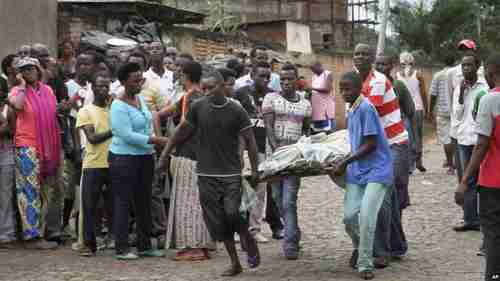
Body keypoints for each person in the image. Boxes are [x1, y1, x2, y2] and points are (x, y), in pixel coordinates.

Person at [158, 70, 261, 277]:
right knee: (218, 222)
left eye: (210, 87)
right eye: (203, 88)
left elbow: (250, 140)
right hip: (205, 174)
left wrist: (256, 168)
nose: (206, 92)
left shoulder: (236, 110)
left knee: (232, 212)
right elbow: (180, 132)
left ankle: (246, 236)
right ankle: (235, 263)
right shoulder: (198, 108)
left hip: (230, 173)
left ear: (222, 87)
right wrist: (164, 156)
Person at [336, 71, 393, 280]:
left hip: (377, 169)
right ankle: (360, 247)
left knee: (368, 217)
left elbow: (370, 144)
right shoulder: (352, 110)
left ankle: (365, 264)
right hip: (357, 171)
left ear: (360, 88)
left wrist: (345, 162)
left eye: (347, 88)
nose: (343, 92)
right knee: (349, 218)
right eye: (341, 89)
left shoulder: (367, 108)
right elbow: (353, 141)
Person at [159, 61, 211, 260]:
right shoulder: (202, 97)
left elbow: (184, 129)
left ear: (185, 75)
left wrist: (166, 150)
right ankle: (202, 245)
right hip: (201, 156)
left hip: (189, 156)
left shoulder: (191, 97)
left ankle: (193, 246)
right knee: (198, 201)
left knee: (188, 202)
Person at [9, 57, 63, 249]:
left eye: (31, 68)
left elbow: (52, 113)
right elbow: (16, 106)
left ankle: (41, 231)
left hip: (48, 147)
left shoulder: (47, 90)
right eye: (23, 69)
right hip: (27, 147)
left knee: (46, 191)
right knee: (28, 191)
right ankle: (31, 236)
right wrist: (22, 85)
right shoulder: (17, 90)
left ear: (39, 70)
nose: (28, 72)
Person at [455, 53, 500, 281]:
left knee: (492, 233)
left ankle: (493, 275)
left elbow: (481, 144)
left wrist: (464, 181)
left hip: (494, 180)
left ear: (491, 74)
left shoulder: (490, 99)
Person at [263, 63, 312, 259]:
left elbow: (306, 130)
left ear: (297, 80)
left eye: (289, 79)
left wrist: (299, 151)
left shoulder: (305, 104)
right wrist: (278, 151)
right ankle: (295, 233)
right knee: (277, 199)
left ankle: (290, 244)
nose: (285, 82)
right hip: (274, 160)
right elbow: (268, 126)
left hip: (294, 160)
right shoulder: (270, 99)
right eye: (282, 79)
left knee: (288, 201)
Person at [373, 53, 413, 266]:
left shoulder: (398, 86)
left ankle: (385, 248)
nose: (380, 66)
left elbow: (410, 113)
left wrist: (415, 148)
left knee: (390, 195)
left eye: (384, 63)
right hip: (378, 146)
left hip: (396, 143)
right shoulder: (369, 84)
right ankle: (395, 245)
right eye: (377, 63)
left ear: (392, 66)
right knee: (389, 198)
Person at [76, 73, 114, 256]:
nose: (103, 90)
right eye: (99, 86)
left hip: (113, 163)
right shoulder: (86, 111)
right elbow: (92, 138)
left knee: (114, 205)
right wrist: (114, 130)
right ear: (93, 88)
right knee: (89, 206)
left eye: (106, 86)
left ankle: (115, 239)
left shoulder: (113, 111)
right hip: (93, 164)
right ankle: (87, 244)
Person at [451, 52, 489, 232]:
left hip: (481, 139)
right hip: (464, 138)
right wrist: (460, 96)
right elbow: (456, 115)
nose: (466, 68)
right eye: (463, 65)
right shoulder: (460, 87)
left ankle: (487, 219)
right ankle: (470, 219)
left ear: (477, 66)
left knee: (484, 180)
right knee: (466, 179)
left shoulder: (485, 86)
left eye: (469, 65)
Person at [397, 51, 428, 173]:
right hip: (418, 108)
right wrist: (428, 110)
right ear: (413, 62)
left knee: (407, 136)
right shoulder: (418, 75)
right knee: (418, 136)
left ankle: (409, 165)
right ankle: (419, 162)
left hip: (403, 110)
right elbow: (424, 94)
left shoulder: (397, 76)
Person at [430, 55, 456, 175]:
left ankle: (450, 165)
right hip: (456, 110)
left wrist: (430, 111)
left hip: (442, 110)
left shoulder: (438, 75)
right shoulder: (457, 73)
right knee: (456, 138)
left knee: (446, 139)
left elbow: (433, 94)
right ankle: (457, 162)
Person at [0, 79, 16, 249]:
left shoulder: (8, 109)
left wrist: (5, 126)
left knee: (5, 194)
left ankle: (6, 233)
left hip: (6, 153)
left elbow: (13, 131)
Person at [309, 61, 336, 134]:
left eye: (314, 69)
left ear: (319, 66)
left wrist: (311, 88)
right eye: (312, 69)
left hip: (326, 111)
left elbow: (328, 89)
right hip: (316, 110)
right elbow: (313, 91)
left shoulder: (327, 74)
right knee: (317, 134)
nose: (313, 71)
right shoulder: (314, 77)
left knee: (328, 134)